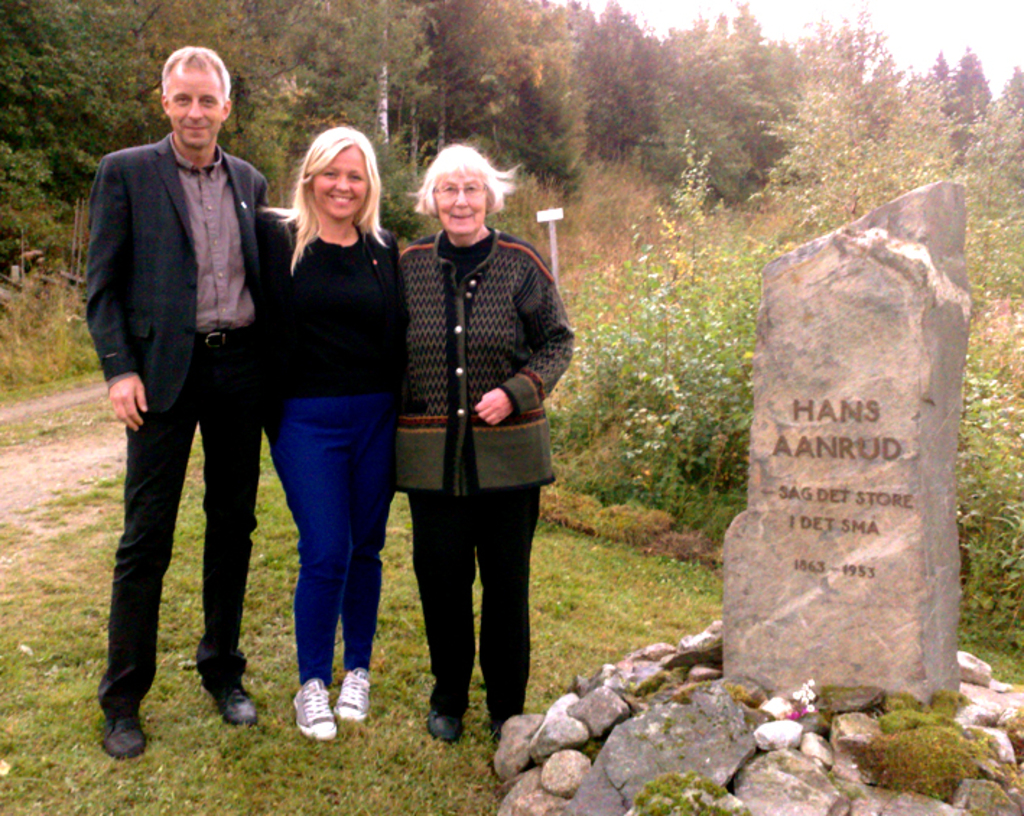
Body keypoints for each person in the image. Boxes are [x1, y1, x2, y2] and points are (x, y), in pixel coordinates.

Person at [86, 46, 267, 760]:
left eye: (208, 100)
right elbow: (102, 285)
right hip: (161, 376)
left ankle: (222, 670)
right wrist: (117, 370)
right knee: (146, 537)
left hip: (238, 374)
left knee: (233, 528)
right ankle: (123, 699)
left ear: (226, 106)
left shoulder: (250, 180)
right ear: (165, 103)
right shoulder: (126, 172)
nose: (195, 111)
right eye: (182, 99)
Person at [398, 144, 574, 743]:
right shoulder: (410, 264)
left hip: (510, 462)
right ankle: (448, 696)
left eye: (472, 189)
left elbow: (559, 341)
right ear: (432, 199)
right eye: (448, 190)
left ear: (490, 196)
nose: (461, 201)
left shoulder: (522, 262)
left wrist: (518, 392)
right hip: (432, 462)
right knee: (441, 583)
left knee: (505, 587)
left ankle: (506, 707)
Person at [257, 127, 403, 741]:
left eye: (355, 176)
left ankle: (357, 670)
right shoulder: (276, 238)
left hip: (376, 416)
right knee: (325, 549)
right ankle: (312, 682)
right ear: (311, 176)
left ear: (369, 185)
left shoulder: (384, 248)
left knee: (366, 546)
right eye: (331, 173)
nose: (342, 186)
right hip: (305, 419)